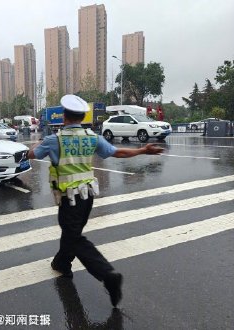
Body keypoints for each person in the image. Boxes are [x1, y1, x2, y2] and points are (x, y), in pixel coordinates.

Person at [27, 94, 164, 307]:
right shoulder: (92, 137)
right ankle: (62, 263)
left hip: (68, 197)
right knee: (72, 233)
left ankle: (108, 275)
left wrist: (30, 147)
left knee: (74, 238)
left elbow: (32, 155)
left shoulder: (55, 139)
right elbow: (116, 152)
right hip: (87, 197)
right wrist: (143, 150)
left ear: (64, 116)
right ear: (82, 117)